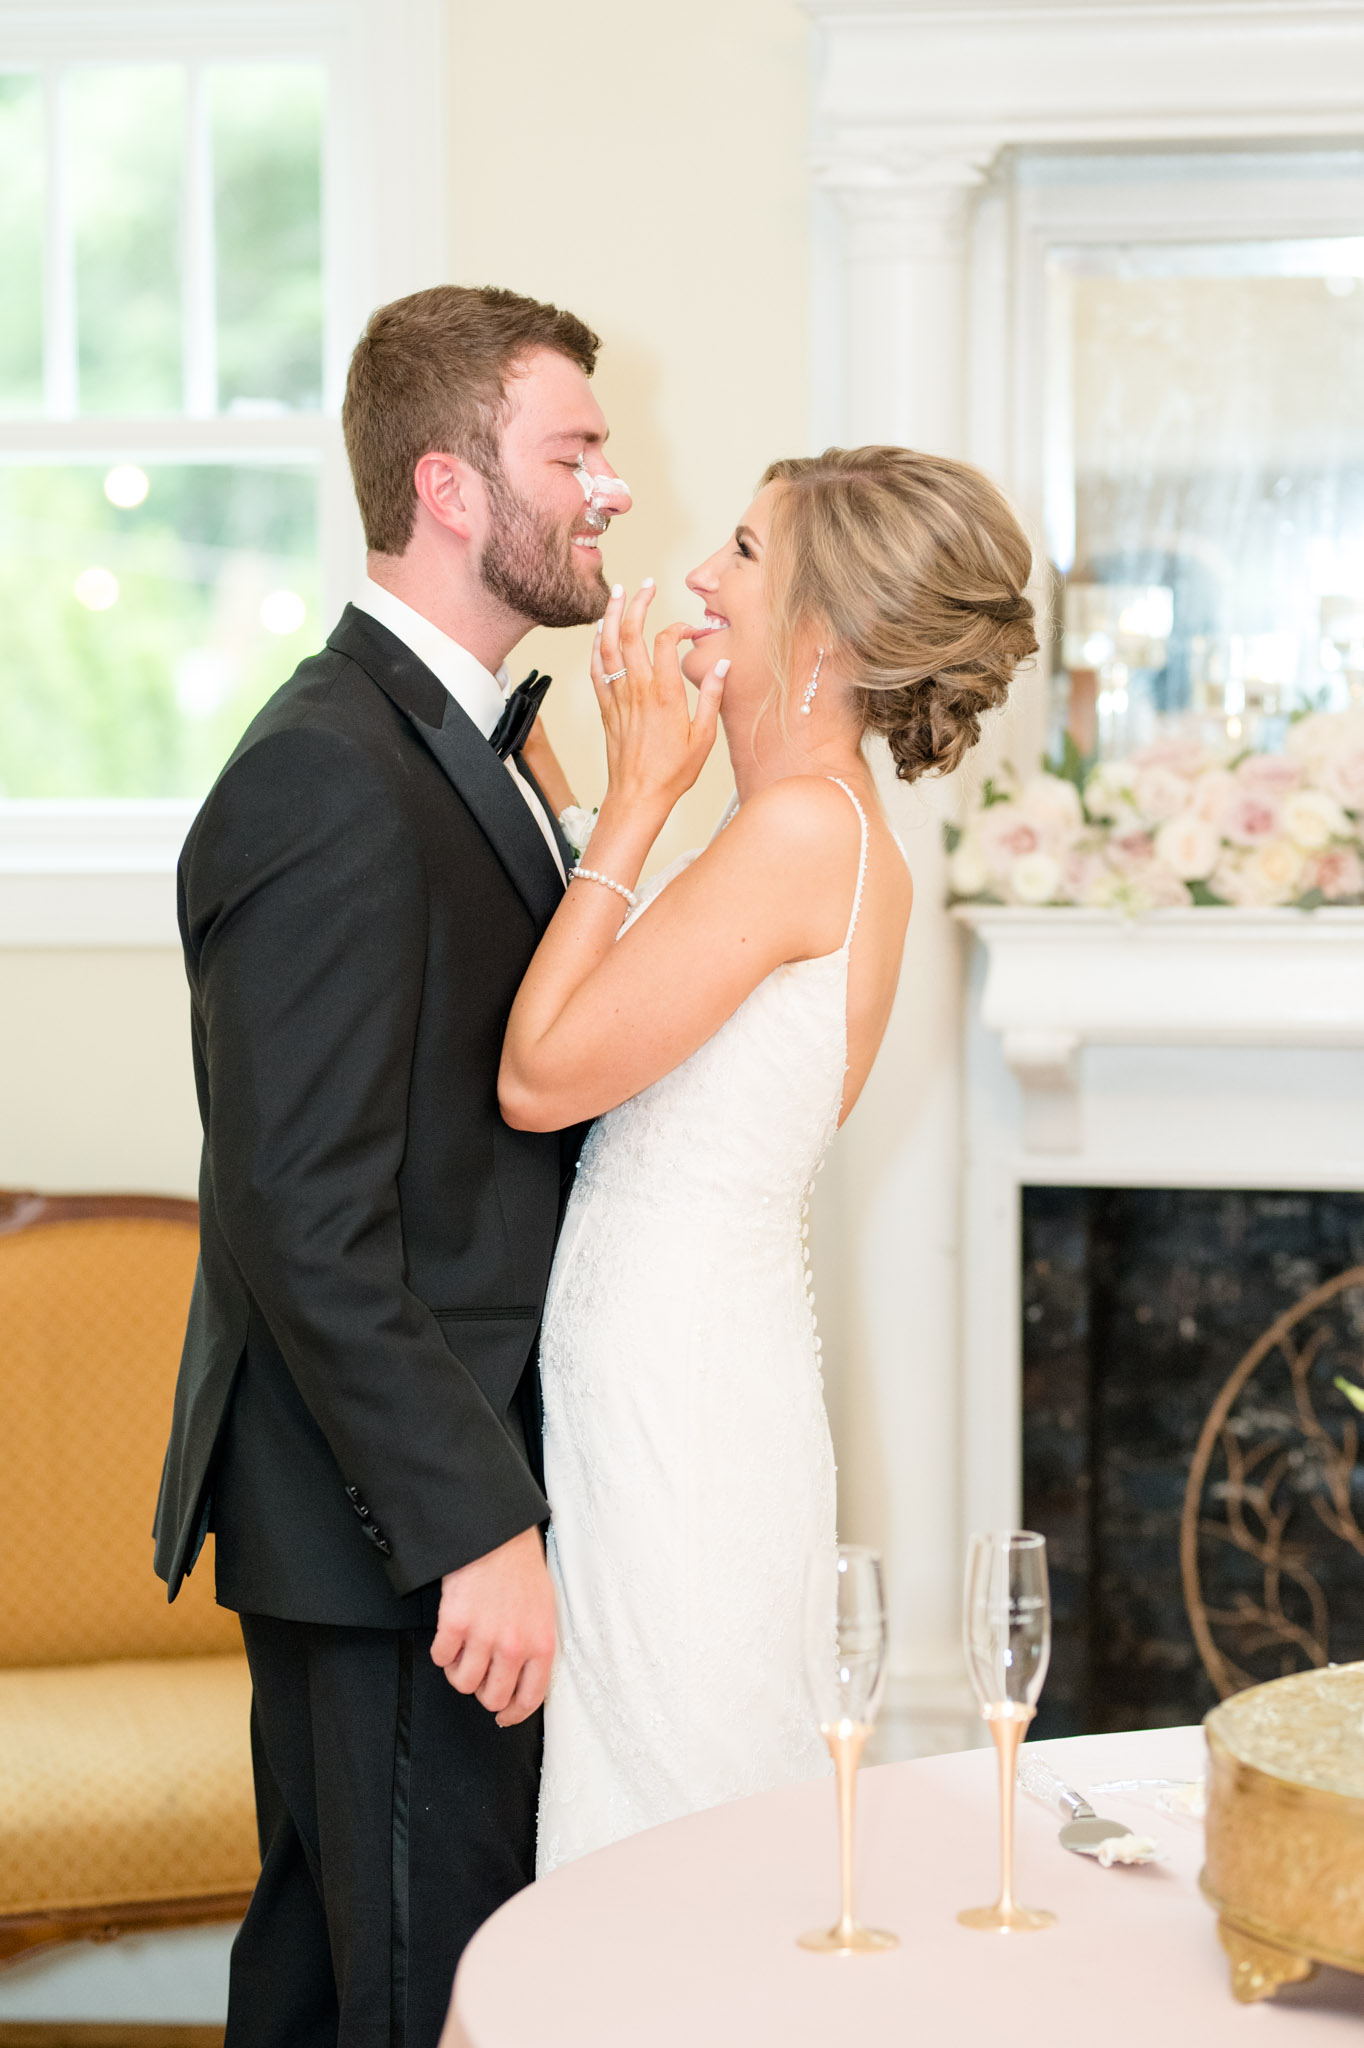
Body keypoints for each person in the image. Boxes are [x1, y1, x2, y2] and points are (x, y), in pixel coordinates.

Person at [152, 283, 630, 2048]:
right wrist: (471, 1525)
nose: (612, 489)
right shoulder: (328, 775)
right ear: (448, 488)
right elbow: (304, 1215)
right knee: (419, 2005)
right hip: (393, 1542)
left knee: (329, 1992)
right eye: (573, 450)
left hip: (415, 1513)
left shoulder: (457, 744)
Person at [497, 446, 1038, 1872]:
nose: (698, 579)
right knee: (669, 1771)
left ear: (831, 634)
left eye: (743, 551)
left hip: (681, 1381)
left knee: (670, 1806)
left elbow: (543, 1078)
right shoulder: (822, 832)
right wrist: (586, 821)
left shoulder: (799, 832)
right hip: (691, 1358)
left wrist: (631, 803)